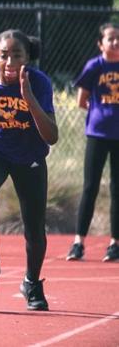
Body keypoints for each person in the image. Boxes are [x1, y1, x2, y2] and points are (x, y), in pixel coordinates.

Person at [0, 29, 58, 311]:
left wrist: (28, 99)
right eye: (3, 56)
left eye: (16, 55)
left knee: (34, 228)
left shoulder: (39, 83)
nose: (9, 62)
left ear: (27, 58)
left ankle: (31, 282)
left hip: (29, 154)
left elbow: (52, 136)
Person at [66, 22, 119, 263]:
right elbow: (81, 100)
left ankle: (114, 244)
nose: (116, 42)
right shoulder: (94, 66)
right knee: (90, 187)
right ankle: (79, 242)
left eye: (118, 38)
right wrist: (100, 112)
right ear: (100, 43)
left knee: (117, 190)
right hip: (97, 134)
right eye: (111, 38)